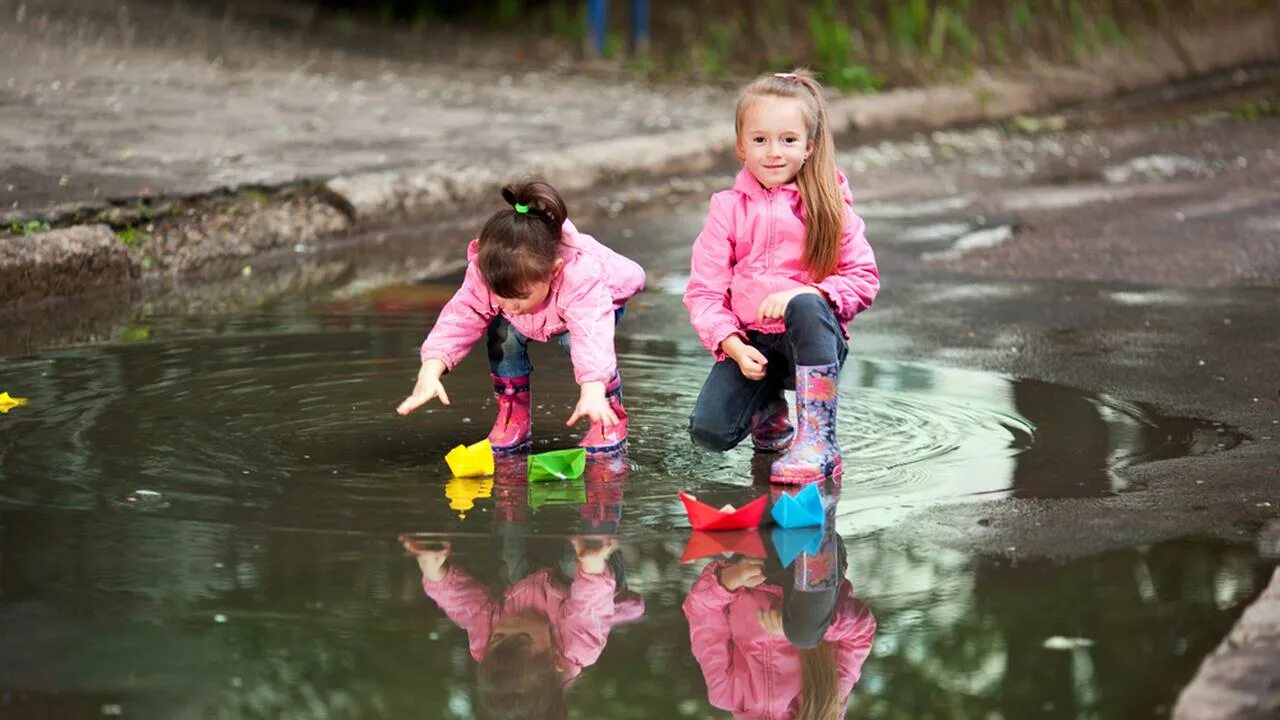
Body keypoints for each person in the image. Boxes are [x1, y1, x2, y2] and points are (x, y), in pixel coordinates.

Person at [684, 69, 880, 484]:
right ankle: (769, 411)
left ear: (809, 147)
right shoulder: (726, 209)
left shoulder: (830, 206)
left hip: (811, 344)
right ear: (741, 147)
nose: (773, 152)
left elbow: (863, 277)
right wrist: (733, 345)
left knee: (807, 304)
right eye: (760, 140)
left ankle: (818, 440)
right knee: (708, 432)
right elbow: (704, 292)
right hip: (753, 345)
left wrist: (806, 293)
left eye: (788, 140)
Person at [397, 179, 645, 455]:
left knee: (574, 343)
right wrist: (430, 371)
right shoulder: (487, 271)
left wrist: (592, 391)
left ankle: (607, 416)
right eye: (500, 295)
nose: (511, 306)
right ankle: (513, 413)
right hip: (543, 310)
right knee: (501, 334)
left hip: (598, 305)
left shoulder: (581, 275)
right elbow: (461, 316)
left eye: (520, 296)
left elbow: (592, 335)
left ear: (554, 270)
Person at [405, 535, 643, 720]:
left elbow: (467, 607)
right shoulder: (577, 647)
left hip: (527, 581)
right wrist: (592, 563)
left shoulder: (487, 648)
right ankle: (592, 524)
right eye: (522, 636)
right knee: (576, 560)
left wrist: (435, 572)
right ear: (556, 658)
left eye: (498, 636)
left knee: (507, 560)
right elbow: (588, 605)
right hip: (591, 583)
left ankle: (511, 506)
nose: (510, 624)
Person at [682, 504, 877, 720]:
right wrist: (799, 628)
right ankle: (809, 509)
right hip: (810, 575)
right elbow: (861, 631)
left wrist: (728, 579)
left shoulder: (726, 693)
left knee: (723, 514)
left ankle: (769, 492)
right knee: (805, 632)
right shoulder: (825, 705)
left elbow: (701, 611)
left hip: (753, 561)